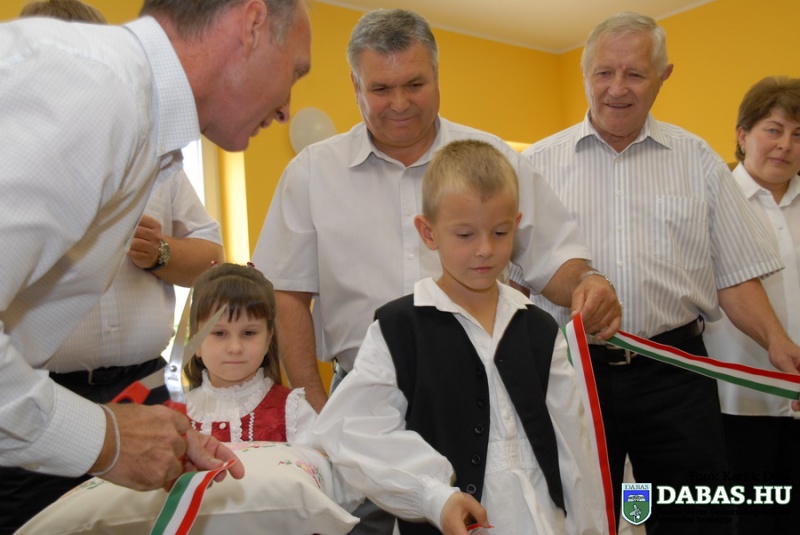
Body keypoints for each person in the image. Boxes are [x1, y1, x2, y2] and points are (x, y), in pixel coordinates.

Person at [0, 0, 310, 511]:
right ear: (252, 24)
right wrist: (105, 439)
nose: (286, 109)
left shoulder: (142, 129)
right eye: (295, 72)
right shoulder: (86, 88)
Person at [252, 7, 620, 415]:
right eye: (381, 89)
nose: (399, 103)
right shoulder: (311, 173)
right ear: (355, 85)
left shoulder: (494, 158)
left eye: (414, 84)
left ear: (437, 75)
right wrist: (315, 410)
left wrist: (587, 282)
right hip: (360, 400)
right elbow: (287, 295)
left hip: (484, 398)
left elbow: (555, 256)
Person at [522, 12, 800, 534]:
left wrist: (777, 342)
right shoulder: (534, 165)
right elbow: (512, 281)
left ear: (663, 76)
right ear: (585, 73)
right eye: (604, 73)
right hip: (571, 375)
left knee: (697, 520)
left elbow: (735, 274)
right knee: (580, 517)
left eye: (635, 74)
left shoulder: (697, 160)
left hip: (677, 375)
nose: (617, 88)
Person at [313, 140, 607, 535]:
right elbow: (353, 430)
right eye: (465, 234)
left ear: (516, 225)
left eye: (500, 232)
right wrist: (434, 494)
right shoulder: (399, 329)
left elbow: (576, 447)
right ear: (428, 232)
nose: (485, 249)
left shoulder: (539, 330)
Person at [702, 76, 800, 535]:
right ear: (743, 135)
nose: (785, 145)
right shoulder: (711, 202)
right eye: (773, 130)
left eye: (798, 134)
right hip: (734, 401)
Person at [185, 262, 316, 445]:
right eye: (219, 333)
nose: (235, 348)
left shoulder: (293, 410)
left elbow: (314, 461)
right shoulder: (175, 414)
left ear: (268, 339)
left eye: (248, 333)